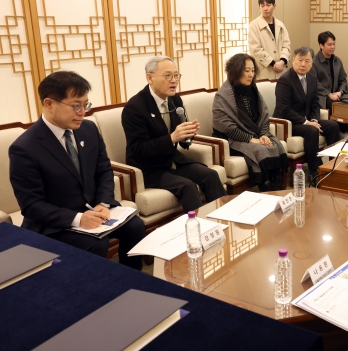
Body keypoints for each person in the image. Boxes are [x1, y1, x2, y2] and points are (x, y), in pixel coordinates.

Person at [9, 71, 145, 269]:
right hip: (55, 225)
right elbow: (32, 205)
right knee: (95, 244)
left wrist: (103, 202)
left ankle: (133, 279)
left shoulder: (88, 129)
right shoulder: (25, 148)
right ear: (49, 104)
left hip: (92, 211)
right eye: (76, 106)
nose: (83, 112)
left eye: (85, 104)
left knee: (135, 226)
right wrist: (78, 219)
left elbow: (104, 171)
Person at [121, 56, 226, 212]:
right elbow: (139, 150)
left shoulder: (174, 99)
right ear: (150, 78)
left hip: (172, 160)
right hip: (149, 168)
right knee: (187, 186)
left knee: (210, 175)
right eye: (167, 75)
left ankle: (225, 218)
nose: (174, 80)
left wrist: (188, 135)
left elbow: (183, 142)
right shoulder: (135, 108)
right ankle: (202, 230)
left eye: (176, 75)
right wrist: (172, 138)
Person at [212, 53, 287, 191]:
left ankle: (276, 187)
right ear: (235, 71)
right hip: (231, 139)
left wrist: (264, 134)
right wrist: (250, 139)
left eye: (253, 71)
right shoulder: (223, 96)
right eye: (247, 71)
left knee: (274, 144)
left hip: (256, 134)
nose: (251, 74)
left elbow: (264, 115)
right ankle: (266, 186)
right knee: (261, 149)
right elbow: (225, 126)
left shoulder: (253, 90)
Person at [273, 46, 341, 186]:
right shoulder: (285, 80)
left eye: (307, 61)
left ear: (311, 63)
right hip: (288, 122)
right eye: (300, 60)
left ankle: (335, 166)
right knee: (312, 130)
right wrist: (307, 122)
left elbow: (315, 103)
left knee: (333, 125)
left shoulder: (311, 78)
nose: (303, 64)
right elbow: (284, 109)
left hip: (307, 120)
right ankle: (314, 171)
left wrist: (314, 120)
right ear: (293, 60)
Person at [249, 0, 291, 80]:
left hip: (281, 70)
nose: (265, 8)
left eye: (268, 5)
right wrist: (273, 63)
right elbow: (255, 49)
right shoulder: (254, 25)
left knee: (282, 92)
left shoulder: (280, 25)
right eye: (262, 6)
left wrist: (282, 62)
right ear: (259, 7)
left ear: (274, 6)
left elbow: (286, 45)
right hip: (264, 70)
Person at [309, 31, 348, 114]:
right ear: (321, 45)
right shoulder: (314, 62)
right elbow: (314, 83)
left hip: (339, 95)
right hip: (323, 96)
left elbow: (343, 79)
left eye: (334, 44)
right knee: (339, 110)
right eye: (329, 45)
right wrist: (329, 94)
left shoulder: (337, 61)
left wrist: (340, 92)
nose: (332, 47)